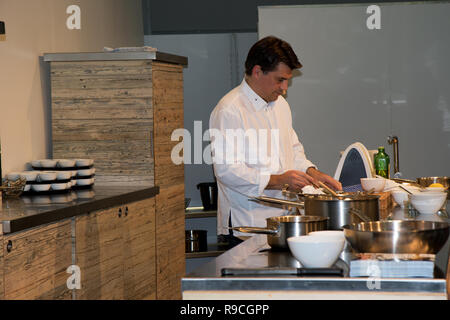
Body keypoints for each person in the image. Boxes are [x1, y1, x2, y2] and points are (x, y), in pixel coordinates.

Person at [209, 36, 342, 247]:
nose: (284, 88)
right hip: (247, 228)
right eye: (280, 79)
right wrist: (279, 180)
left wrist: (312, 173)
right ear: (257, 71)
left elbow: (293, 150)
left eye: (287, 80)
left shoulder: (280, 105)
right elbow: (226, 171)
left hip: (284, 223)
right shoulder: (230, 109)